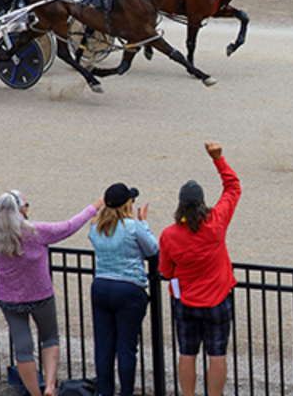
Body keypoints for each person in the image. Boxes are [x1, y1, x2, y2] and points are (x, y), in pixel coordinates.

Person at [0, 190, 103, 396]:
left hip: (9, 298)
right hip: (40, 294)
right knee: (50, 339)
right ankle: (49, 386)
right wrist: (95, 206)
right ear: (20, 210)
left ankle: (35, 393)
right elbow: (69, 226)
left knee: (23, 349)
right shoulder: (35, 232)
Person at [158, 142, 241, 396]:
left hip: (187, 301)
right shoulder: (215, 224)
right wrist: (218, 159)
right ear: (203, 202)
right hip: (217, 299)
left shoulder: (169, 235)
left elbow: (166, 270)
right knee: (217, 353)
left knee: (187, 352)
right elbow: (233, 188)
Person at [89, 182, 158, 396]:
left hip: (101, 285)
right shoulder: (133, 226)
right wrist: (143, 222)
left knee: (104, 345)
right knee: (127, 346)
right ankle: (126, 393)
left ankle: (105, 392)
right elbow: (153, 249)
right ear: (127, 204)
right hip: (129, 288)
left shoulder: (96, 227)